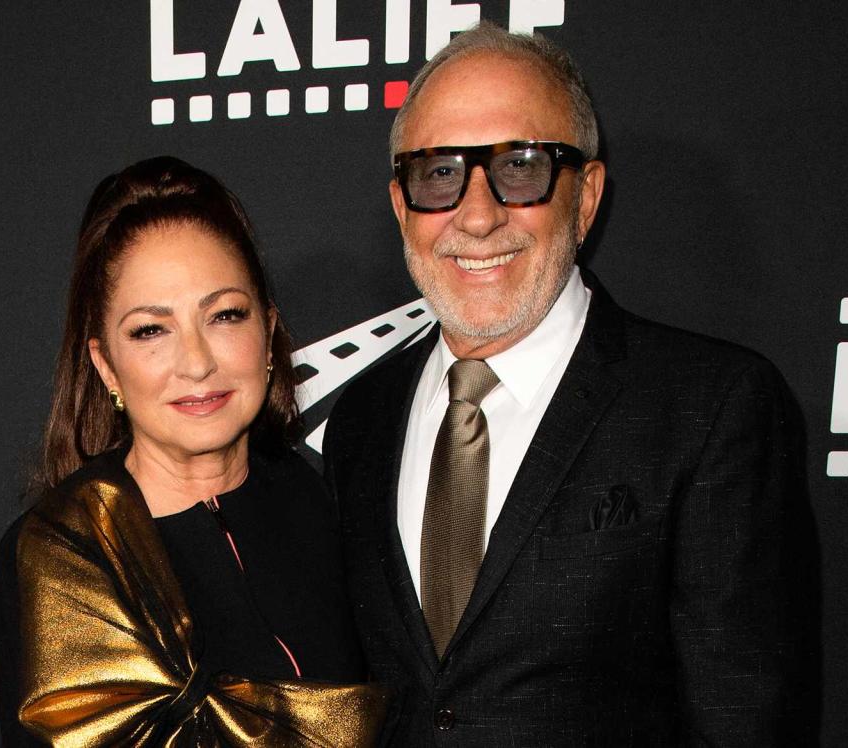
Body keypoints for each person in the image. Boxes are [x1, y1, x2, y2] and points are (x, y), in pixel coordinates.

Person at [323, 22, 817, 746]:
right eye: (440, 173)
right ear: (402, 206)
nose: (479, 213)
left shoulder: (712, 408)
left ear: (584, 196)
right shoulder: (363, 417)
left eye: (520, 167)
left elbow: (746, 720)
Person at [0, 156, 389, 746]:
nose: (197, 362)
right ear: (105, 363)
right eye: (150, 330)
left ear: (268, 332)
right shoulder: (63, 554)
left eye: (224, 315)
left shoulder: (331, 509)